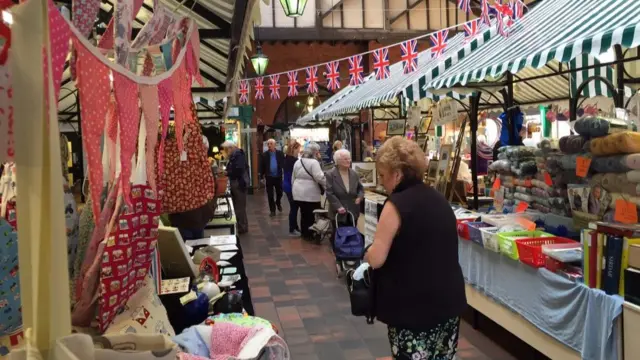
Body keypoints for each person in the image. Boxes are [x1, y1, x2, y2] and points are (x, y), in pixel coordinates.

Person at [364, 136, 466, 360]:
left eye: (382, 175)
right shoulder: (439, 199)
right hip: (448, 300)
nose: (381, 182)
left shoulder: (396, 205)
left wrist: (368, 253)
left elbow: (377, 258)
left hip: (413, 306)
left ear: (397, 173)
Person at [325, 149, 363, 240]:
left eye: (349, 159)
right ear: (337, 161)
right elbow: (329, 192)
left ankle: (350, 252)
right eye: (345, 159)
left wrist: (359, 197)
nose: (348, 161)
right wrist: (338, 206)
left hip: (353, 210)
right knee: (338, 236)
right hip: (338, 211)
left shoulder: (354, 173)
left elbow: (360, 188)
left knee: (352, 234)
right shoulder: (330, 174)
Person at [292, 142, 326, 241]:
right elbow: (319, 177)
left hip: (298, 192)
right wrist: (328, 184)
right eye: (318, 151)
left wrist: (293, 189)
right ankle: (310, 234)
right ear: (315, 152)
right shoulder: (314, 163)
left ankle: (304, 233)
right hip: (310, 193)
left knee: (303, 213)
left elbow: (293, 177)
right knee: (311, 214)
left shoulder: (298, 161)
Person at [221, 140, 249, 234]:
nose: (226, 151)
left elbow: (238, 170)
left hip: (239, 183)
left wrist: (227, 172)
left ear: (231, 148)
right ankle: (241, 226)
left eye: (226, 149)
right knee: (239, 205)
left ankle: (242, 227)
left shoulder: (238, 155)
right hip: (238, 183)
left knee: (240, 206)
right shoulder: (236, 155)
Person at [259, 138, 285, 217]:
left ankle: (277, 202)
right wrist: (261, 176)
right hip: (269, 177)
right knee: (270, 195)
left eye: (271, 144)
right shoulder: (264, 155)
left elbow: (283, 163)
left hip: (278, 176)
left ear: (274, 145)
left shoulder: (280, 153)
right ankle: (272, 210)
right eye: (268, 144)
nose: (269, 145)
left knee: (280, 193)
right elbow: (262, 166)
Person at [283, 141, 302, 237]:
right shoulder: (293, 161)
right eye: (298, 148)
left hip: (287, 186)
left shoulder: (287, 158)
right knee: (294, 208)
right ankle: (292, 229)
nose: (299, 150)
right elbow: (292, 176)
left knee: (294, 207)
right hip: (290, 187)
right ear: (294, 149)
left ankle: (295, 227)